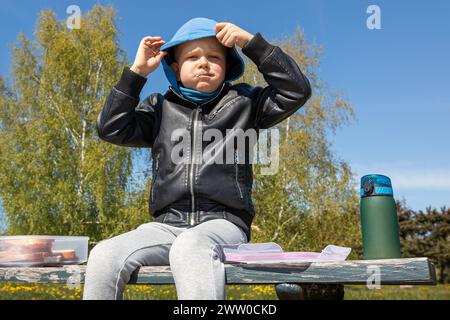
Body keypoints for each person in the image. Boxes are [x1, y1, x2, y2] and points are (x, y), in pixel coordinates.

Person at [83, 17, 311, 300]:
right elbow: (110, 128)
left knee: (190, 246)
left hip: (223, 224)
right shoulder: (159, 108)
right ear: (175, 67)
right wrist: (136, 73)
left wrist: (251, 44)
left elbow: (296, 90)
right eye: (192, 57)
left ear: (227, 67)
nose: (204, 62)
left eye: (214, 57)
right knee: (104, 254)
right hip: (166, 225)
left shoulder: (245, 103)